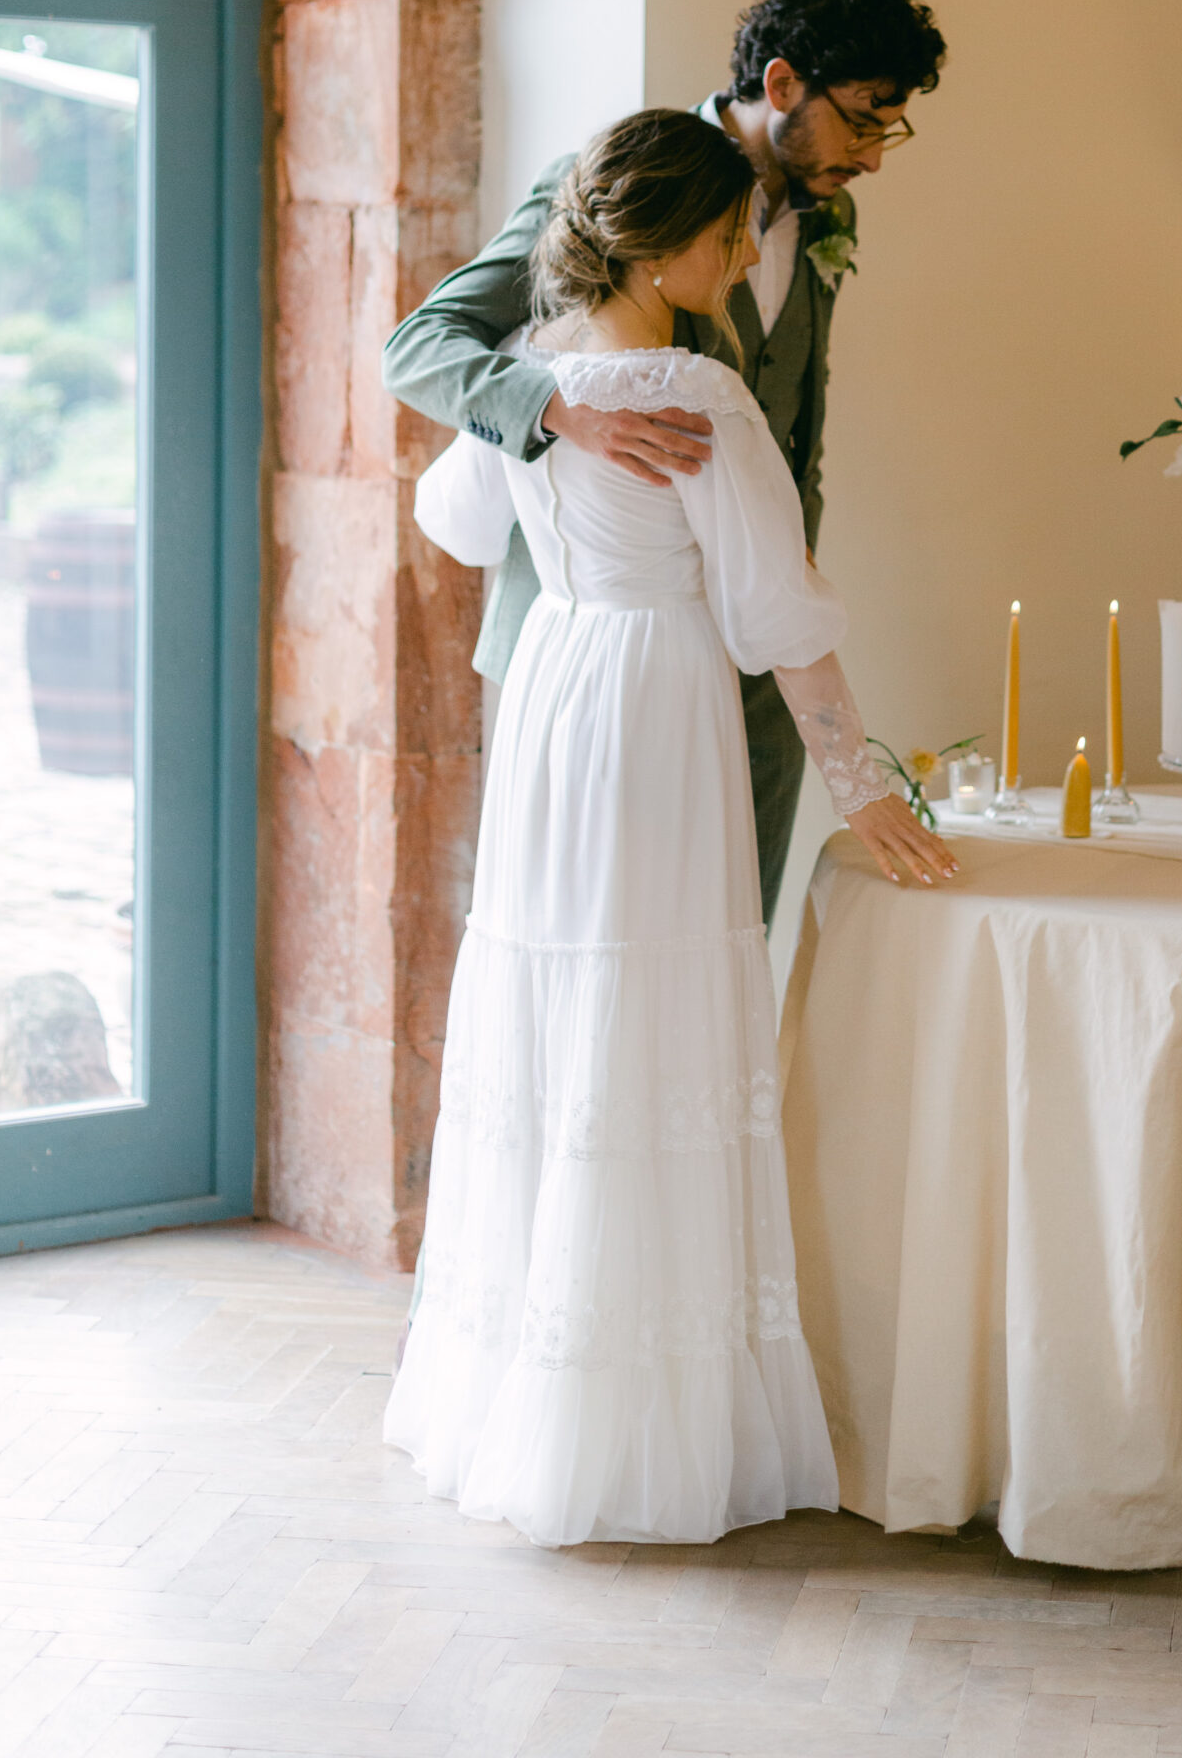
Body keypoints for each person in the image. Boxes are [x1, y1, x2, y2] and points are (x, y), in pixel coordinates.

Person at [382, 109, 954, 1545]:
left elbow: (449, 516)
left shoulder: (534, 374)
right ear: (672, 246)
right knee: (649, 1015)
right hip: (653, 705)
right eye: (723, 237)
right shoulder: (699, 392)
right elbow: (778, 620)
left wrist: (537, 420)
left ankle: (526, 1397)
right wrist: (859, 782)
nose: (741, 252)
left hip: (555, 694)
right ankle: (644, 1424)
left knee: (557, 1004)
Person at [381, 0, 947, 929]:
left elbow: (794, 419)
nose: (875, 155)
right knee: (595, 939)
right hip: (600, 645)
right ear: (780, 87)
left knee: (726, 944)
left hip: (760, 647)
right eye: (862, 118)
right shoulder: (611, 182)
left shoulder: (829, 215)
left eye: (889, 125)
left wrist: (788, 571)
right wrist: (561, 410)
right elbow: (418, 347)